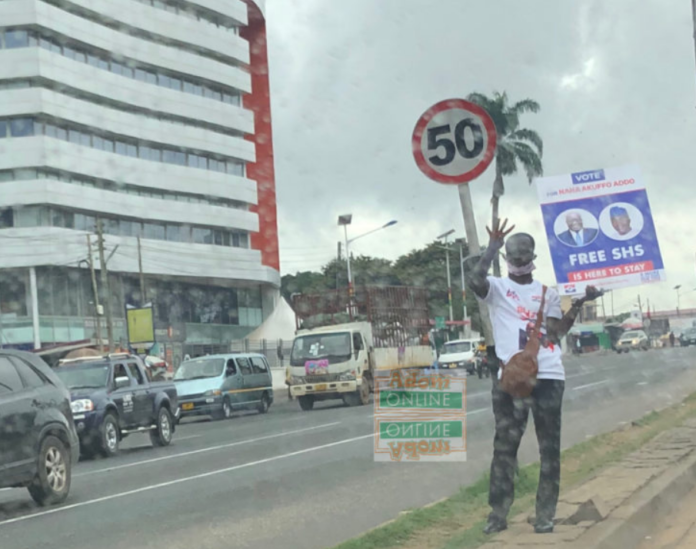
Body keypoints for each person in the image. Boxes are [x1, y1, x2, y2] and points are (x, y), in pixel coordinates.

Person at [470, 218, 602, 536]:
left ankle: (545, 515)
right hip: (511, 379)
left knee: (549, 448)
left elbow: (555, 332)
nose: (517, 262)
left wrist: (580, 304)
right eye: (512, 257)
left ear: (532, 259)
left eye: (522, 256)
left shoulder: (548, 293)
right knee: (504, 447)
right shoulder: (498, 288)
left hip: (548, 376)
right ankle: (498, 514)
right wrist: (491, 247)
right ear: (507, 260)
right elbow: (475, 280)